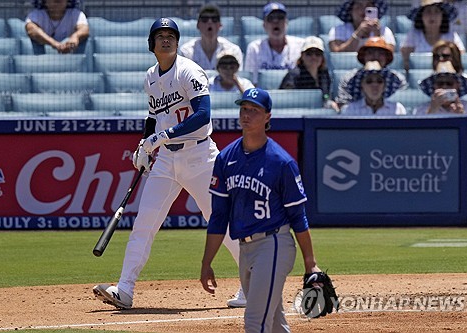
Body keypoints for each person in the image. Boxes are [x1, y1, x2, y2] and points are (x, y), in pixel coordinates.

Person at [92, 18, 245, 309]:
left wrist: (160, 137)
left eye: (170, 35)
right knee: (144, 223)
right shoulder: (150, 76)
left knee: (220, 222)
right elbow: (153, 116)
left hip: (200, 157)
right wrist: (144, 144)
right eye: (160, 36)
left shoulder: (188, 70)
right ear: (152, 44)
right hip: (166, 159)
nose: (166, 40)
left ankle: (254, 284)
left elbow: (203, 115)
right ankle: (124, 289)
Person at [200, 87, 322, 332]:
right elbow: (219, 216)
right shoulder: (226, 159)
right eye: (244, 108)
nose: (247, 115)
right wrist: (207, 262)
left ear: (268, 116)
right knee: (275, 324)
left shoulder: (281, 162)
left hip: (274, 245)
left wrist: (311, 262)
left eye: (254, 110)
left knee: (255, 321)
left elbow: (298, 216)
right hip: (245, 248)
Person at [335, 36, 407, 109]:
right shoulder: (349, 78)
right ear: (363, 56)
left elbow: (401, 104)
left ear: (386, 57)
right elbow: (342, 105)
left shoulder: (398, 79)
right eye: (370, 53)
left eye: (381, 53)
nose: (375, 57)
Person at [244, 2, 304, 86]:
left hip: (292, 95)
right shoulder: (254, 48)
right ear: (264, 25)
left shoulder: (300, 45)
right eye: (271, 18)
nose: (276, 21)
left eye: (280, 17)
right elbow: (250, 82)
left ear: (286, 22)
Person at [401, 0, 465, 71]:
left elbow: (460, 59)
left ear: (442, 16)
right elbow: (406, 62)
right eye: (428, 11)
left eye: (436, 11)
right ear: (421, 16)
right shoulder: (413, 35)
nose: (432, 16)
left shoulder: (451, 35)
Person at [279, 36, 338, 111]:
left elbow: (326, 95)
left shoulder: (324, 74)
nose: (313, 57)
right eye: (309, 53)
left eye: (318, 54)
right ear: (302, 56)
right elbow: (287, 98)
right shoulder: (294, 74)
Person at [179, 4, 244, 71]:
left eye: (214, 19)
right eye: (205, 19)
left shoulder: (233, 51)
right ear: (198, 25)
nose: (210, 22)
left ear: (220, 25)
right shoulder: (186, 51)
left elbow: (238, 78)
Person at [341, 60, 406, 115]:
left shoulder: (398, 109)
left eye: (379, 81)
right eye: (369, 81)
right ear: (362, 86)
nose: (375, 85)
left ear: (385, 86)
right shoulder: (350, 109)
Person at [25, 0, 89, 55]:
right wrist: (54, 44)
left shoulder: (75, 14)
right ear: (44, 1)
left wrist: (75, 37)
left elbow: (84, 29)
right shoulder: (36, 14)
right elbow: (31, 29)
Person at [328, 0, 395, 52]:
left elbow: (390, 55)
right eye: (359, 6)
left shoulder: (385, 31)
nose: (363, 9)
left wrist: (377, 36)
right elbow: (336, 54)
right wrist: (358, 34)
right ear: (350, 10)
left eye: (368, 5)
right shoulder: (338, 30)